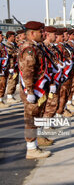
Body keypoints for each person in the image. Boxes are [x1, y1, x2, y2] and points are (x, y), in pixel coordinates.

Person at [18, 21, 51, 159]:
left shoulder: (35, 47)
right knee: (31, 119)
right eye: (40, 32)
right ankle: (31, 149)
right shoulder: (29, 50)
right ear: (32, 33)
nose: (43, 34)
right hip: (32, 91)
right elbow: (27, 72)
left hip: (36, 89)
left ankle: (35, 144)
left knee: (36, 117)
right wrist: (30, 92)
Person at [4, 31, 19, 104]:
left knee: (15, 80)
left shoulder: (14, 45)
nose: (15, 38)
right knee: (12, 80)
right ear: (9, 37)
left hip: (15, 65)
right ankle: (9, 96)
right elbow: (9, 54)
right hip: (11, 65)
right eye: (14, 36)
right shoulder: (7, 45)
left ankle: (12, 95)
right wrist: (17, 53)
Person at [0, 31, 9, 108]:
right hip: (0, 68)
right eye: (0, 36)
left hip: (4, 68)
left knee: (3, 84)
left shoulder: (2, 45)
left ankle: (1, 100)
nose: (2, 37)